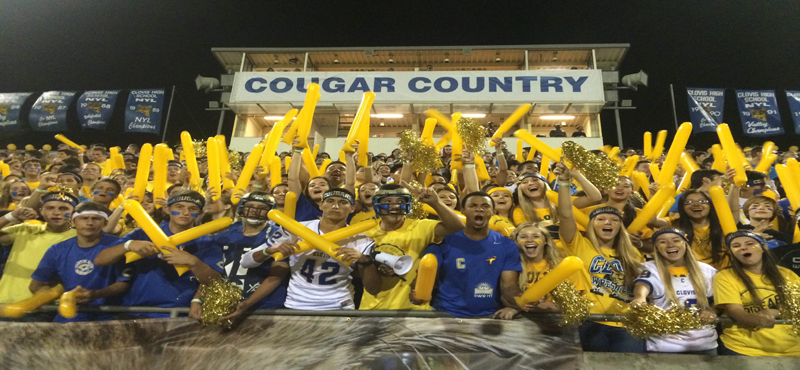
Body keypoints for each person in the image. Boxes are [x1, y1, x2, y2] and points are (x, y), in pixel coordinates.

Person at [555, 162, 645, 353]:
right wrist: (564, 183)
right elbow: (565, 215)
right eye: (601, 219)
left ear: (620, 227)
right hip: (589, 322)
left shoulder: (633, 254)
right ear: (591, 225)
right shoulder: (579, 245)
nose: (608, 222)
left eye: (614, 220)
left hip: (626, 324)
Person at [241, 189, 380, 310]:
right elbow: (246, 262)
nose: (335, 206)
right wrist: (270, 250)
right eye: (330, 201)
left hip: (338, 305)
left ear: (352, 208)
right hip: (297, 304)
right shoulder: (294, 229)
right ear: (321, 205)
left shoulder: (362, 239)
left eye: (343, 202)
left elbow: (373, 289)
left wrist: (364, 260)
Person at [93, 190, 224, 318]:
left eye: (193, 209)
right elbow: (100, 259)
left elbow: (215, 281)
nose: (185, 213)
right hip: (133, 309)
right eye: (179, 207)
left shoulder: (206, 242)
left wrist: (193, 262)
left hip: (178, 312)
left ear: (200, 213)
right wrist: (128, 245)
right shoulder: (142, 233)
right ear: (167, 209)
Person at [411, 192, 522, 318]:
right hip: (445, 315)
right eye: (473, 205)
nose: (479, 209)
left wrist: (521, 301)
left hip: (489, 316)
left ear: (493, 211)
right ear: (462, 211)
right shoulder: (443, 241)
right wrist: (417, 292)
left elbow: (508, 286)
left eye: (485, 206)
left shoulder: (507, 244)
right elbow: (426, 276)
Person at [360, 183, 465, 310]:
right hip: (373, 309)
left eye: (400, 201)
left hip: (413, 309)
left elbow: (456, 226)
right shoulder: (366, 233)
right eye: (387, 201)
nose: (395, 206)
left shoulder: (420, 226)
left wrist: (435, 203)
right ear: (377, 205)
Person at [29, 202, 131, 322]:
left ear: (105, 223)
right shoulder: (57, 249)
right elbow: (36, 284)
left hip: (108, 317)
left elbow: (124, 283)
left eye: (96, 218)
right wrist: (50, 295)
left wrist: (96, 294)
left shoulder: (120, 245)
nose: (89, 223)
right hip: (68, 316)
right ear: (72, 222)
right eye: (83, 218)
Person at [631, 228, 718, 354]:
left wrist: (712, 311)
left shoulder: (707, 270)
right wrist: (639, 298)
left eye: (676, 240)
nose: (670, 245)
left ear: (685, 244)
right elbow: (643, 285)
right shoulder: (649, 268)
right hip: (664, 346)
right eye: (662, 242)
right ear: (656, 247)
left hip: (705, 345)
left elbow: (722, 301)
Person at [713, 230, 800, 356]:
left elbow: (797, 308)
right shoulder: (725, 276)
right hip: (744, 349)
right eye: (736, 246)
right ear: (732, 253)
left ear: (763, 248)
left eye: (750, 244)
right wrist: (756, 320)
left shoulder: (788, 275)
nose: (743, 248)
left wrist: (774, 312)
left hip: (792, 349)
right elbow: (735, 311)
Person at [212, 192, 289, 321]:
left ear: (271, 211)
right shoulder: (223, 236)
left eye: (262, 208)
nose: (254, 211)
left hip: (265, 305)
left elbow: (277, 276)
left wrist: (247, 303)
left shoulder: (280, 236)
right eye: (250, 206)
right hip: (228, 303)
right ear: (242, 207)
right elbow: (213, 272)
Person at [0, 191, 79, 306]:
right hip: (5, 301)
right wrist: (12, 216)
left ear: (74, 213)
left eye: (63, 209)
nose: (56, 213)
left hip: (44, 306)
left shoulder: (80, 237)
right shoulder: (27, 229)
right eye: (50, 208)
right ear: (41, 211)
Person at [510, 222, 587, 314]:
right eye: (523, 237)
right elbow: (506, 294)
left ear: (546, 240)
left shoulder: (563, 265)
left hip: (558, 323)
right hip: (522, 322)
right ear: (516, 241)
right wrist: (515, 307)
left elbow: (577, 302)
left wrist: (551, 306)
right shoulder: (511, 267)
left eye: (536, 236)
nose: (529, 240)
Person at [674, 189, 728, 269]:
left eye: (702, 201)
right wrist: (653, 196)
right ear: (682, 207)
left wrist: (735, 186)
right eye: (689, 202)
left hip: (721, 274)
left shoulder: (723, 223)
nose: (696, 204)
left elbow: (733, 211)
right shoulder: (675, 224)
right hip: (692, 273)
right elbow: (652, 221)